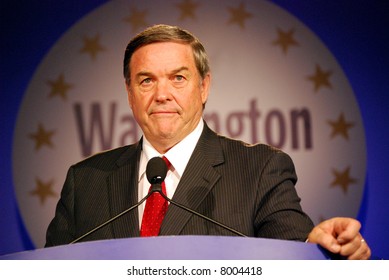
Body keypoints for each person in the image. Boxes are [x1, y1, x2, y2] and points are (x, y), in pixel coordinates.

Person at [45, 24, 371, 260]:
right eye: (146, 81)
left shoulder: (259, 169)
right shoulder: (85, 180)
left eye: (178, 78)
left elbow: (292, 247)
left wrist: (321, 248)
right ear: (130, 94)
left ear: (204, 87)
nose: (162, 95)